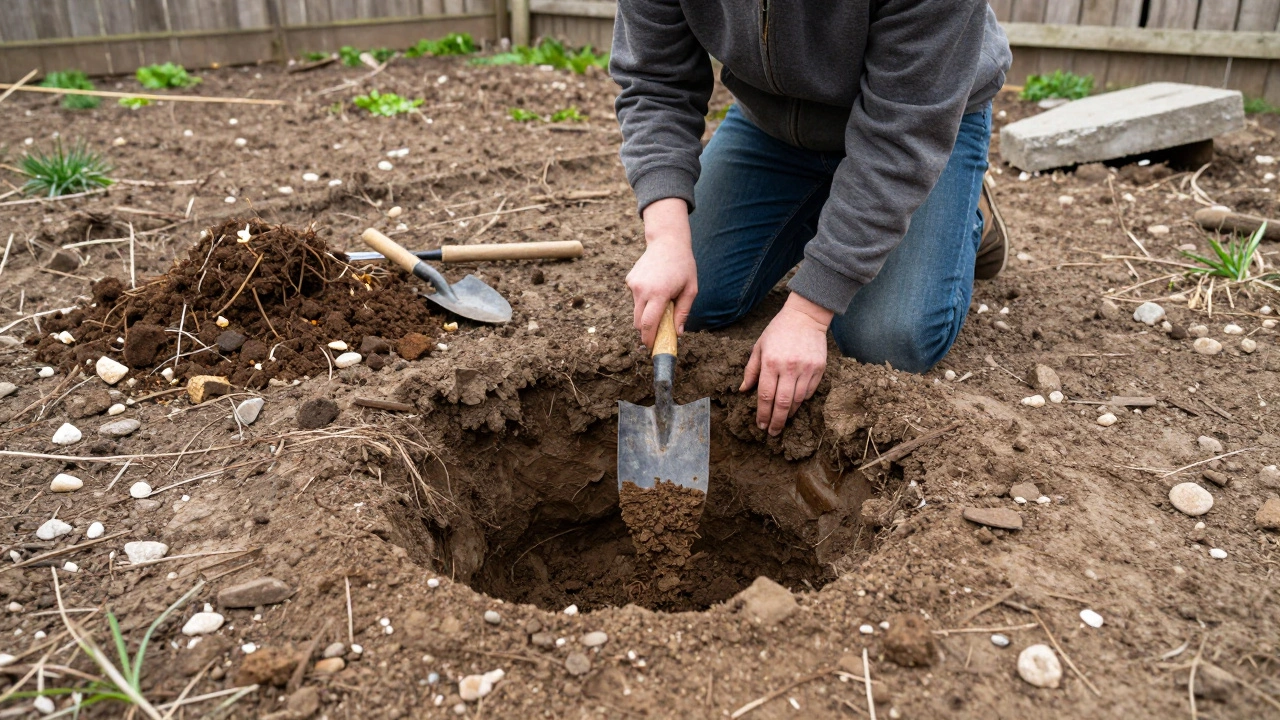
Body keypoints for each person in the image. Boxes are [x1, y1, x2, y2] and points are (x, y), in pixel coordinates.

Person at [610, 0, 1013, 437]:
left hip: (919, 124)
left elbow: (903, 135)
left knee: (885, 340)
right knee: (695, 298)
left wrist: (808, 314)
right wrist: (666, 237)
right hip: (773, 127)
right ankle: (840, 206)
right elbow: (654, 82)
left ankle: (961, 210)